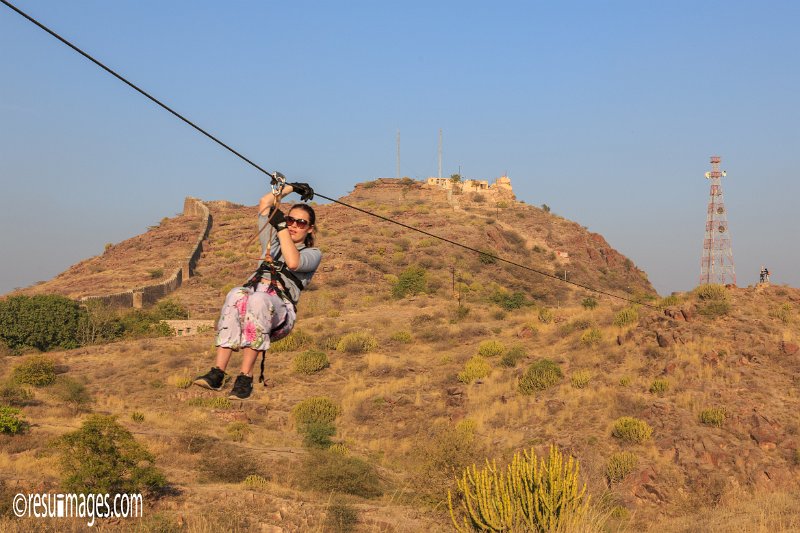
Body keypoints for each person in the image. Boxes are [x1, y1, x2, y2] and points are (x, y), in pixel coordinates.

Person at [193, 182, 321, 400]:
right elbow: (265, 203)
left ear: (309, 229)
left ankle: (245, 377)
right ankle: (218, 373)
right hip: (252, 302)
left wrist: (281, 227)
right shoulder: (272, 241)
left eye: (301, 223)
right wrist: (291, 188)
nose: (293, 225)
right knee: (236, 293)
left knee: (259, 300)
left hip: (280, 312)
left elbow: (293, 262)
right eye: (290, 220)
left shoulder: (313, 253)